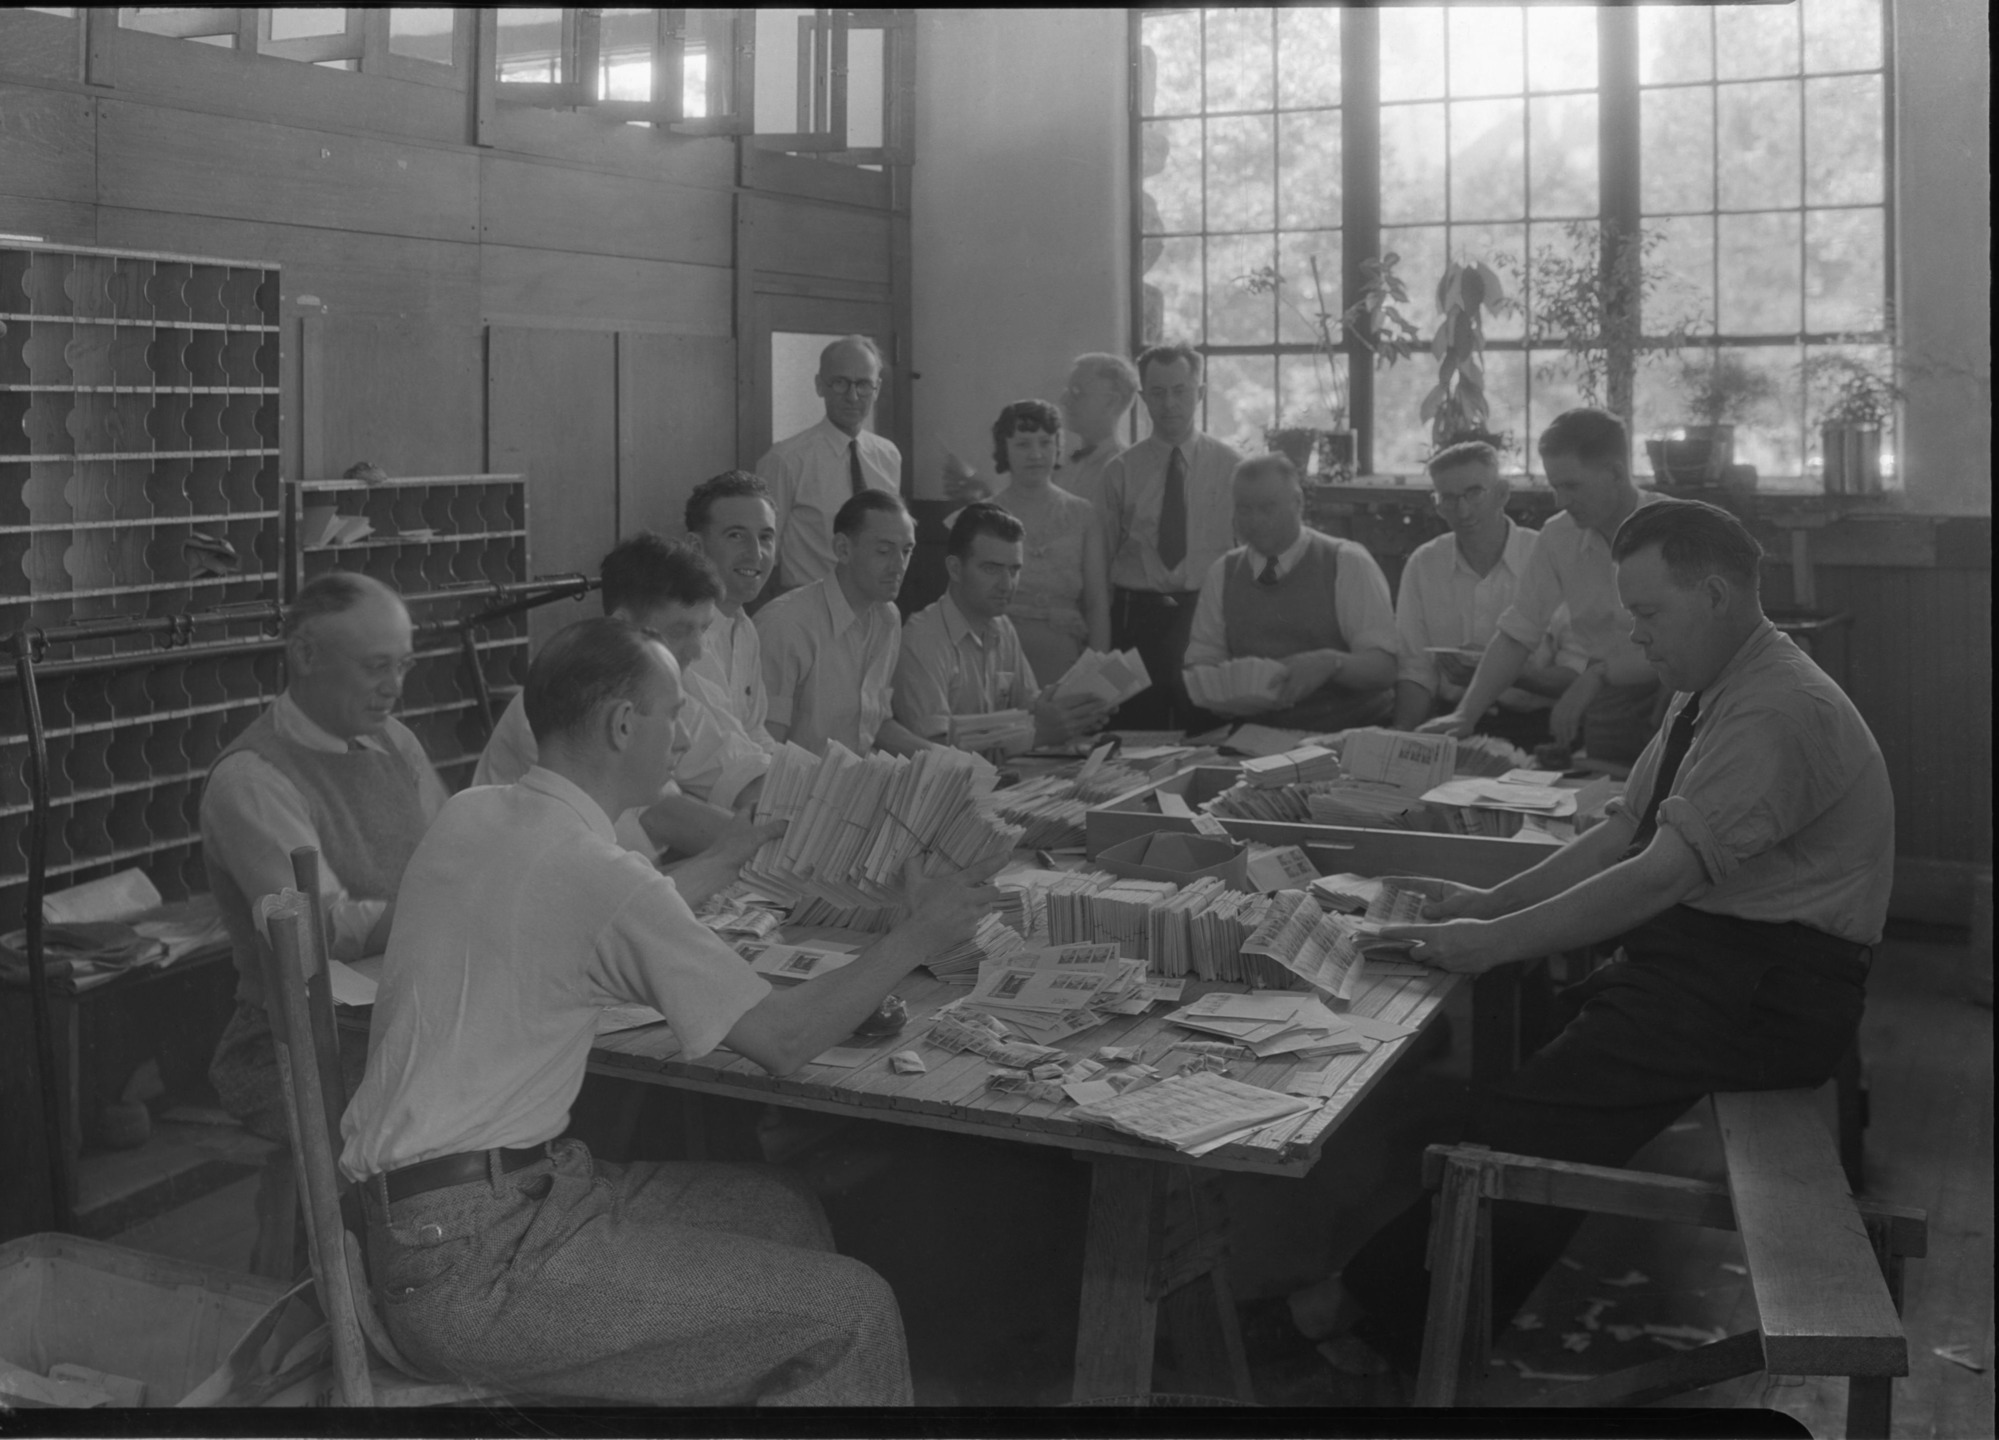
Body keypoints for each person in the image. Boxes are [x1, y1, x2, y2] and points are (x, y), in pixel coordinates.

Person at [1298, 498, 1893, 1376]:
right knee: (1522, 1072)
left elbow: (1660, 875)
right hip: (1713, 963)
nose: (1634, 637)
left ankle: (1382, 1328)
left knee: (1521, 1128)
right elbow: (1622, 832)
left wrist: (1492, 944)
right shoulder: (1709, 685)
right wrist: (1487, 905)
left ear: (1719, 595)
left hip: (1774, 991)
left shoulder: (1776, 707)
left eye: (1648, 614)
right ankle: (1393, 1309)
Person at [341, 617, 1004, 1404]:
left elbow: (583, 925)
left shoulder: (475, 814)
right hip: (479, 1262)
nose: (683, 733)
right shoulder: (598, 874)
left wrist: (722, 859)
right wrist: (915, 935)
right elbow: (783, 1040)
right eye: (674, 713)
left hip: (451, 1215)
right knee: (852, 1310)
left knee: (778, 1205)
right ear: (624, 724)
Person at [200, 571, 447, 1274]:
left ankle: (420, 1274)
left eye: (403, 664)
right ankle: (355, 1294)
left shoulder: (393, 741)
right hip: (292, 1039)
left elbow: (449, 850)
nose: (394, 687)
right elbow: (322, 926)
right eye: (376, 667)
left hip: (398, 1006)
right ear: (305, 654)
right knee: (435, 1123)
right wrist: (438, 909)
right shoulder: (250, 777)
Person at [475, 533, 771, 838]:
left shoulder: (664, 691)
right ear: (623, 625)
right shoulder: (560, 704)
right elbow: (657, 816)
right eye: (681, 630)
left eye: (704, 630)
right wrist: (759, 841)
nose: (697, 651)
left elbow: (735, 767)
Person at [1421, 409, 1662, 764]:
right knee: (1612, 799)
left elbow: (1693, 644)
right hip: (1606, 700)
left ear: (1615, 473)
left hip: (1679, 694)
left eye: (1571, 486)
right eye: (1554, 487)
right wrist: (1465, 714)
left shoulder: (1676, 529)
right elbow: (1518, 630)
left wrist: (1597, 675)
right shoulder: (1558, 535)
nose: (1561, 501)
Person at [1181, 454, 1398, 732]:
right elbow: (1202, 663)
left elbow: (1385, 669)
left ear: (1298, 503)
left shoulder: (1346, 562)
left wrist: (1330, 663)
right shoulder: (1223, 572)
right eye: (1244, 509)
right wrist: (1217, 694)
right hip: (1256, 743)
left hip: (1347, 736)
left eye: (1267, 508)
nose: (1255, 520)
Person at [1391, 442, 1585, 747]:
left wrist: (1503, 672)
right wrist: (1400, 739)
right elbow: (1416, 672)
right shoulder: (1424, 564)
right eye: (1450, 499)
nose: (1463, 510)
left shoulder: (1546, 556)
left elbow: (1577, 674)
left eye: (1474, 493)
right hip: (1449, 724)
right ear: (1437, 504)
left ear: (1502, 493)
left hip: (1535, 730)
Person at [1099, 342, 1244, 730]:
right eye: (1158, 393)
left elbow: (1246, 562)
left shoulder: (1232, 468)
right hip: (1136, 618)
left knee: (1205, 728)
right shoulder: (1120, 472)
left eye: (1180, 391)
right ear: (1143, 398)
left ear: (1199, 392)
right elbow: (1099, 568)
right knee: (1134, 732)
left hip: (1203, 618)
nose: (1170, 404)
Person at [892, 503, 1112, 752]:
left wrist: (1076, 709)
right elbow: (935, 747)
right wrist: (1037, 734)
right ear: (955, 568)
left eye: (1014, 570)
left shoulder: (1002, 627)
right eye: (992, 569)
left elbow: (1030, 708)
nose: (1007, 585)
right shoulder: (922, 638)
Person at [756, 489, 935, 757]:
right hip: (796, 791)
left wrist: (945, 758)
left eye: (907, 551)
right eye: (884, 551)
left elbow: (874, 725)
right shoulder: (786, 624)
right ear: (843, 549)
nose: (899, 566)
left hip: (857, 785)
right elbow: (766, 747)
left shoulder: (888, 617)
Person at [757, 335, 900, 594]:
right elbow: (765, 555)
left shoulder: (888, 457)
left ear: (877, 389)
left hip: (873, 607)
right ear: (820, 385)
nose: (853, 396)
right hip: (808, 609)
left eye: (864, 385)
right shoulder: (786, 460)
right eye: (840, 383)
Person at [983, 399, 1112, 685]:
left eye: (1045, 442)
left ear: (1058, 447)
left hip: (1065, 654)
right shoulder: (983, 516)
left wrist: (1095, 672)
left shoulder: (1084, 515)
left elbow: (1096, 602)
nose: (1036, 454)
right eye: (1023, 444)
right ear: (1004, 448)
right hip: (996, 652)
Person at [943, 353, 1139, 513]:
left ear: (1111, 402)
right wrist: (979, 493)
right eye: (1067, 390)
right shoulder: (1066, 465)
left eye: (1077, 392)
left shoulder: (1123, 472)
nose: (1064, 400)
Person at [684, 470, 780, 740]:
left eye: (765, 537)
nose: (756, 553)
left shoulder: (744, 627)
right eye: (736, 535)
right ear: (695, 546)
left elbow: (754, 732)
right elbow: (719, 756)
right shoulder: (679, 629)